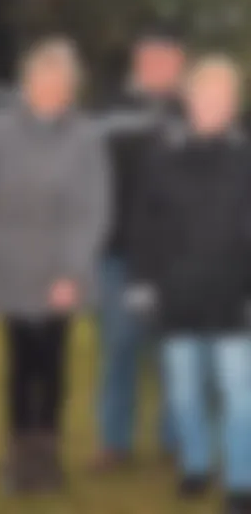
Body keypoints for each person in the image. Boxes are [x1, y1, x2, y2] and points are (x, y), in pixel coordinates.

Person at [0, 38, 110, 492]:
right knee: (20, 364)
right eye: (41, 80)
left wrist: (71, 272)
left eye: (58, 81)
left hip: (61, 275)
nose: (49, 89)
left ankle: (47, 457)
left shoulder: (84, 138)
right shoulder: (0, 132)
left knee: (52, 365)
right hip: (12, 272)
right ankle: (19, 457)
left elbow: (94, 208)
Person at [129, 55, 251, 512]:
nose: (210, 105)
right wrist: (143, 281)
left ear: (231, 104)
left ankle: (241, 480)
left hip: (234, 299)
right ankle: (197, 467)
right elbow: (145, 224)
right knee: (184, 393)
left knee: (239, 395)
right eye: (203, 96)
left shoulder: (245, 159)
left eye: (220, 97)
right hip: (177, 296)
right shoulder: (166, 159)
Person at [94, 28, 185, 470]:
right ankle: (115, 445)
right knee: (120, 350)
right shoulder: (115, 117)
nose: (159, 68)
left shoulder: (192, 116)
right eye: (151, 60)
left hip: (177, 260)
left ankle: (174, 442)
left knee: (173, 356)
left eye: (167, 60)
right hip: (118, 257)